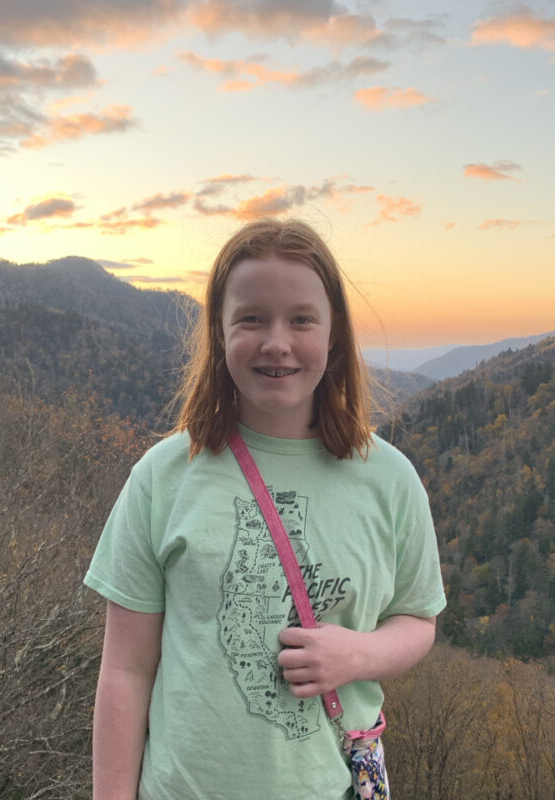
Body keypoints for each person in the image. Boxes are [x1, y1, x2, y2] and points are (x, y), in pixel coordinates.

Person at [84, 218, 446, 800]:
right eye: (251, 318)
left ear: (333, 335)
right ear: (220, 332)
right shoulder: (164, 476)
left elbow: (418, 619)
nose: (277, 340)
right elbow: (126, 669)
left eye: (301, 319)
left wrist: (358, 653)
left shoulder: (390, 479)